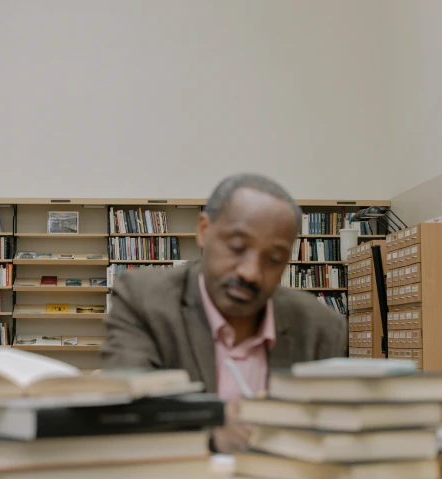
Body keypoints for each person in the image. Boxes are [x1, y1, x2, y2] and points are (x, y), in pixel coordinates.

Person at [100, 173, 347, 453]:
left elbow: (332, 433)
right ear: (204, 230)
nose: (251, 273)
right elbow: (124, 412)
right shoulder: (144, 300)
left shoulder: (321, 328)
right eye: (237, 247)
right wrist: (209, 432)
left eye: (274, 259)